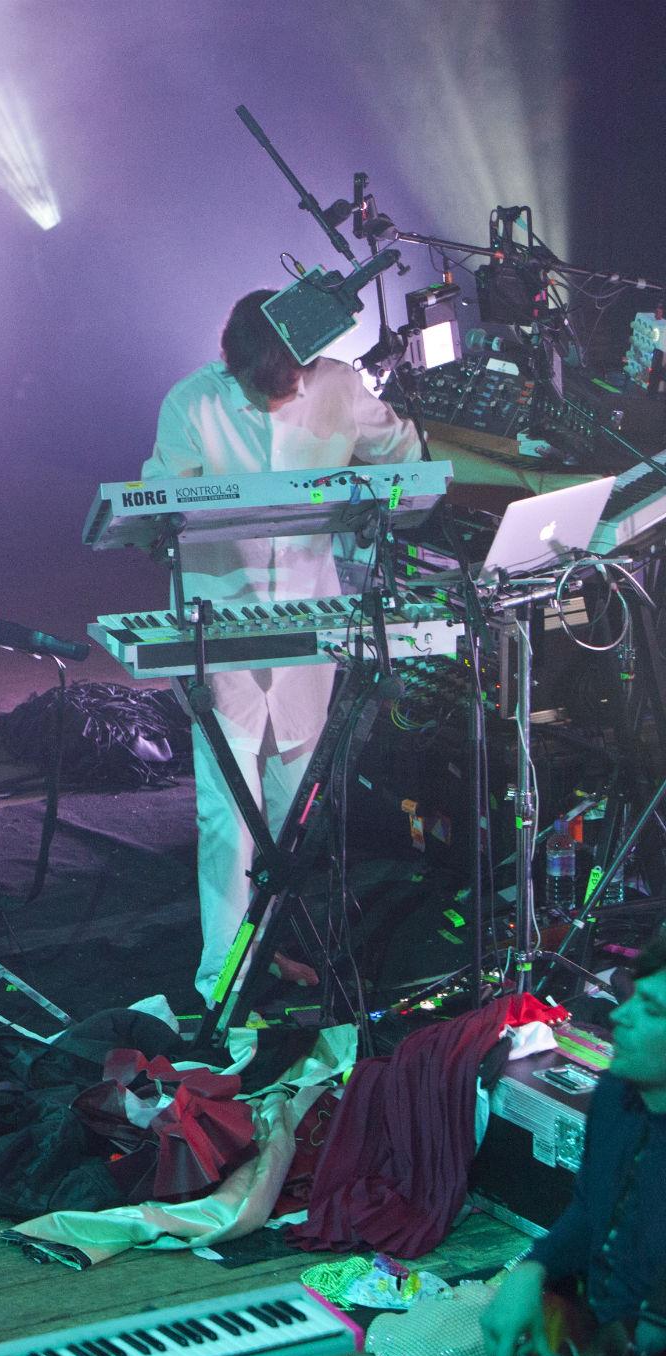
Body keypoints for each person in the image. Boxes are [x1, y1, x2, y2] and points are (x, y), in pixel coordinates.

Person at [141, 289, 421, 1010]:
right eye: (269, 389)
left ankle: (274, 951)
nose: (286, 396)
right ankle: (222, 980)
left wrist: (378, 488)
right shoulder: (192, 402)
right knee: (227, 815)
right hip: (219, 624)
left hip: (310, 623)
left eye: (293, 382)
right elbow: (155, 507)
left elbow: (404, 460)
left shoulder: (339, 385)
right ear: (235, 368)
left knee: (299, 806)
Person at [480, 932, 666, 1356]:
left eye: (652, 1010)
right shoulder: (616, 1095)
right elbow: (592, 1211)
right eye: (633, 996)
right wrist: (531, 1269)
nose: (619, 1014)